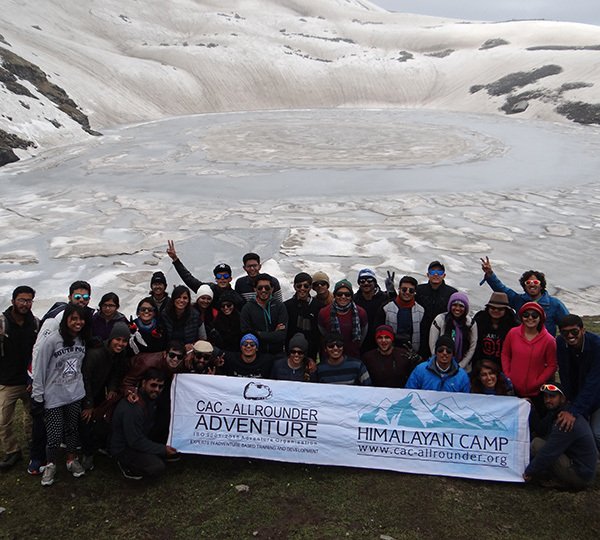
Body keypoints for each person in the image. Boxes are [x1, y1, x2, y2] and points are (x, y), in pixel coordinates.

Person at [31, 304, 88, 486]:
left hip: (75, 393)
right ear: (66, 320)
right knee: (54, 435)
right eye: (74, 319)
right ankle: (50, 464)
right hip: (54, 395)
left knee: (72, 430)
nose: (78, 323)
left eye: (81, 319)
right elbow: (39, 368)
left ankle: (71, 460)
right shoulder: (52, 340)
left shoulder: (82, 339)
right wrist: (37, 395)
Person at [524, 383, 597, 490]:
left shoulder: (565, 421)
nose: (547, 400)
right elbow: (541, 429)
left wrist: (529, 471)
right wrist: (531, 409)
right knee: (540, 441)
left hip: (580, 474)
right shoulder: (557, 412)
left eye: (552, 397)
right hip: (579, 466)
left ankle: (564, 482)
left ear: (562, 398)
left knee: (537, 444)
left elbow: (549, 452)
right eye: (546, 397)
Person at [110, 368, 178, 480]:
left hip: (142, 435)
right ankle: (125, 465)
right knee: (157, 467)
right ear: (143, 383)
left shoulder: (151, 399)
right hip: (124, 448)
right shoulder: (133, 407)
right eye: (153, 385)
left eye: (160, 387)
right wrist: (162, 449)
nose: (157, 389)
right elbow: (135, 441)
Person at [80, 322, 131, 470]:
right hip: (84, 392)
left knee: (102, 419)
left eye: (124, 341)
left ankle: (98, 445)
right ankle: (87, 454)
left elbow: (116, 373)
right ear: (111, 338)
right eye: (118, 339)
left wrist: (113, 388)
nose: (121, 344)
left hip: (100, 390)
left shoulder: (119, 354)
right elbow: (85, 379)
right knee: (86, 420)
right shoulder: (95, 353)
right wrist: (88, 404)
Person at [0, 286, 39, 471]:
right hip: (7, 380)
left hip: (29, 380)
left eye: (29, 300)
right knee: (3, 420)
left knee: (32, 415)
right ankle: (12, 451)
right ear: (13, 301)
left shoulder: (35, 324)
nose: (25, 304)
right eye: (22, 300)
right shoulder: (2, 322)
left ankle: (33, 444)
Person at [480, 257, 569, 336]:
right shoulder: (519, 300)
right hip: (521, 343)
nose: (532, 285)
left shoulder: (554, 304)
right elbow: (501, 289)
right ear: (524, 286)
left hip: (544, 346)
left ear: (541, 285)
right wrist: (490, 274)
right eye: (528, 283)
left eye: (536, 282)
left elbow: (568, 324)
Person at [501, 302, 557, 410]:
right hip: (513, 389)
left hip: (537, 393)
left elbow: (552, 365)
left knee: (534, 424)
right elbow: (505, 354)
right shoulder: (513, 333)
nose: (530, 318)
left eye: (534, 315)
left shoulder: (549, 340)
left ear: (541, 318)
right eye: (526, 315)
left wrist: (537, 382)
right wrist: (508, 374)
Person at [556, 314, 600, 451]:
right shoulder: (560, 343)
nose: (570, 335)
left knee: (596, 433)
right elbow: (564, 373)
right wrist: (569, 400)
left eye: (574, 331)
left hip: (597, 392)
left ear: (583, 330)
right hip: (577, 392)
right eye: (565, 332)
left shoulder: (597, 346)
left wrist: (574, 411)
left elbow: (593, 383)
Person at [166, 240, 245, 309]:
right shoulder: (208, 289)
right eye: (219, 276)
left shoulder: (237, 298)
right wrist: (175, 259)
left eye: (226, 276)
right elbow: (188, 278)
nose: (222, 278)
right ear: (216, 279)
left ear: (230, 279)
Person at [415, 261, 458, 359]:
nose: (435, 274)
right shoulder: (419, 290)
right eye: (432, 271)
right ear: (427, 274)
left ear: (444, 275)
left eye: (439, 272)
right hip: (421, 333)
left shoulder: (451, 293)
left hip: (442, 333)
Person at [318, 279, 368, 359]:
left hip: (353, 356)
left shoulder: (361, 312)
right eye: (339, 294)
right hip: (330, 358)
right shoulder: (323, 313)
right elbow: (323, 333)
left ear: (351, 296)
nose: (343, 297)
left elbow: (363, 334)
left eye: (347, 294)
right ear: (334, 295)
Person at [428, 292, 477, 372]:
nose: (457, 308)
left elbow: (472, 347)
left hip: (463, 368)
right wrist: (442, 364)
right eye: (454, 305)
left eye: (461, 306)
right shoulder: (440, 319)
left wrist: (460, 367)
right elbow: (433, 345)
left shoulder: (470, 323)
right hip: (440, 366)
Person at [240, 273, 288, 355]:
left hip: (277, 354)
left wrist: (257, 333)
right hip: (257, 355)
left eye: (267, 287)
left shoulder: (279, 306)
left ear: (272, 289)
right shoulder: (247, 308)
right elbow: (246, 334)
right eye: (260, 288)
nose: (263, 290)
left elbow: (281, 335)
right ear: (255, 289)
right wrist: (273, 333)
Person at [377, 275, 424, 354]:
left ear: (415, 292)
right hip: (389, 352)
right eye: (404, 289)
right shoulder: (386, 308)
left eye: (411, 291)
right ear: (399, 290)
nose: (407, 293)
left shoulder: (421, 311)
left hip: (412, 353)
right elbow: (378, 330)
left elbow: (423, 336)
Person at [405, 336, 470, 393]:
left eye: (448, 351)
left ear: (453, 354)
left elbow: (465, 401)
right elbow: (409, 393)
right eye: (440, 350)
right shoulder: (420, 370)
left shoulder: (462, 376)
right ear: (436, 352)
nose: (444, 353)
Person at [471, 292, 518, 368]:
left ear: (506, 310)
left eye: (500, 309)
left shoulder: (513, 325)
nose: (496, 311)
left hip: (503, 366)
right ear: (488, 308)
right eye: (492, 308)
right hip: (480, 364)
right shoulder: (479, 321)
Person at [284, 272, 319, 358]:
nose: (302, 289)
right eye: (299, 286)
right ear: (294, 287)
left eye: (306, 286)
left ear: (310, 287)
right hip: (291, 350)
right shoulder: (286, 306)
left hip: (311, 350)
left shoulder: (317, 306)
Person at [353, 269, 388, 354]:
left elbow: (394, 308)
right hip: (361, 341)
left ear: (375, 282)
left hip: (380, 341)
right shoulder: (354, 299)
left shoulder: (384, 298)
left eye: (369, 280)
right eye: (362, 281)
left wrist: (392, 293)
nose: (365, 283)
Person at [159, 285, 200, 351]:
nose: (181, 300)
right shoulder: (165, 313)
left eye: (185, 298)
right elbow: (162, 337)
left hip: (188, 350)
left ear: (189, 300)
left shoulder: (195, 315)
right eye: (178, 297)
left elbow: (201, 337)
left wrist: (192, 346)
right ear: (173, 298)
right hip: (169, 349)